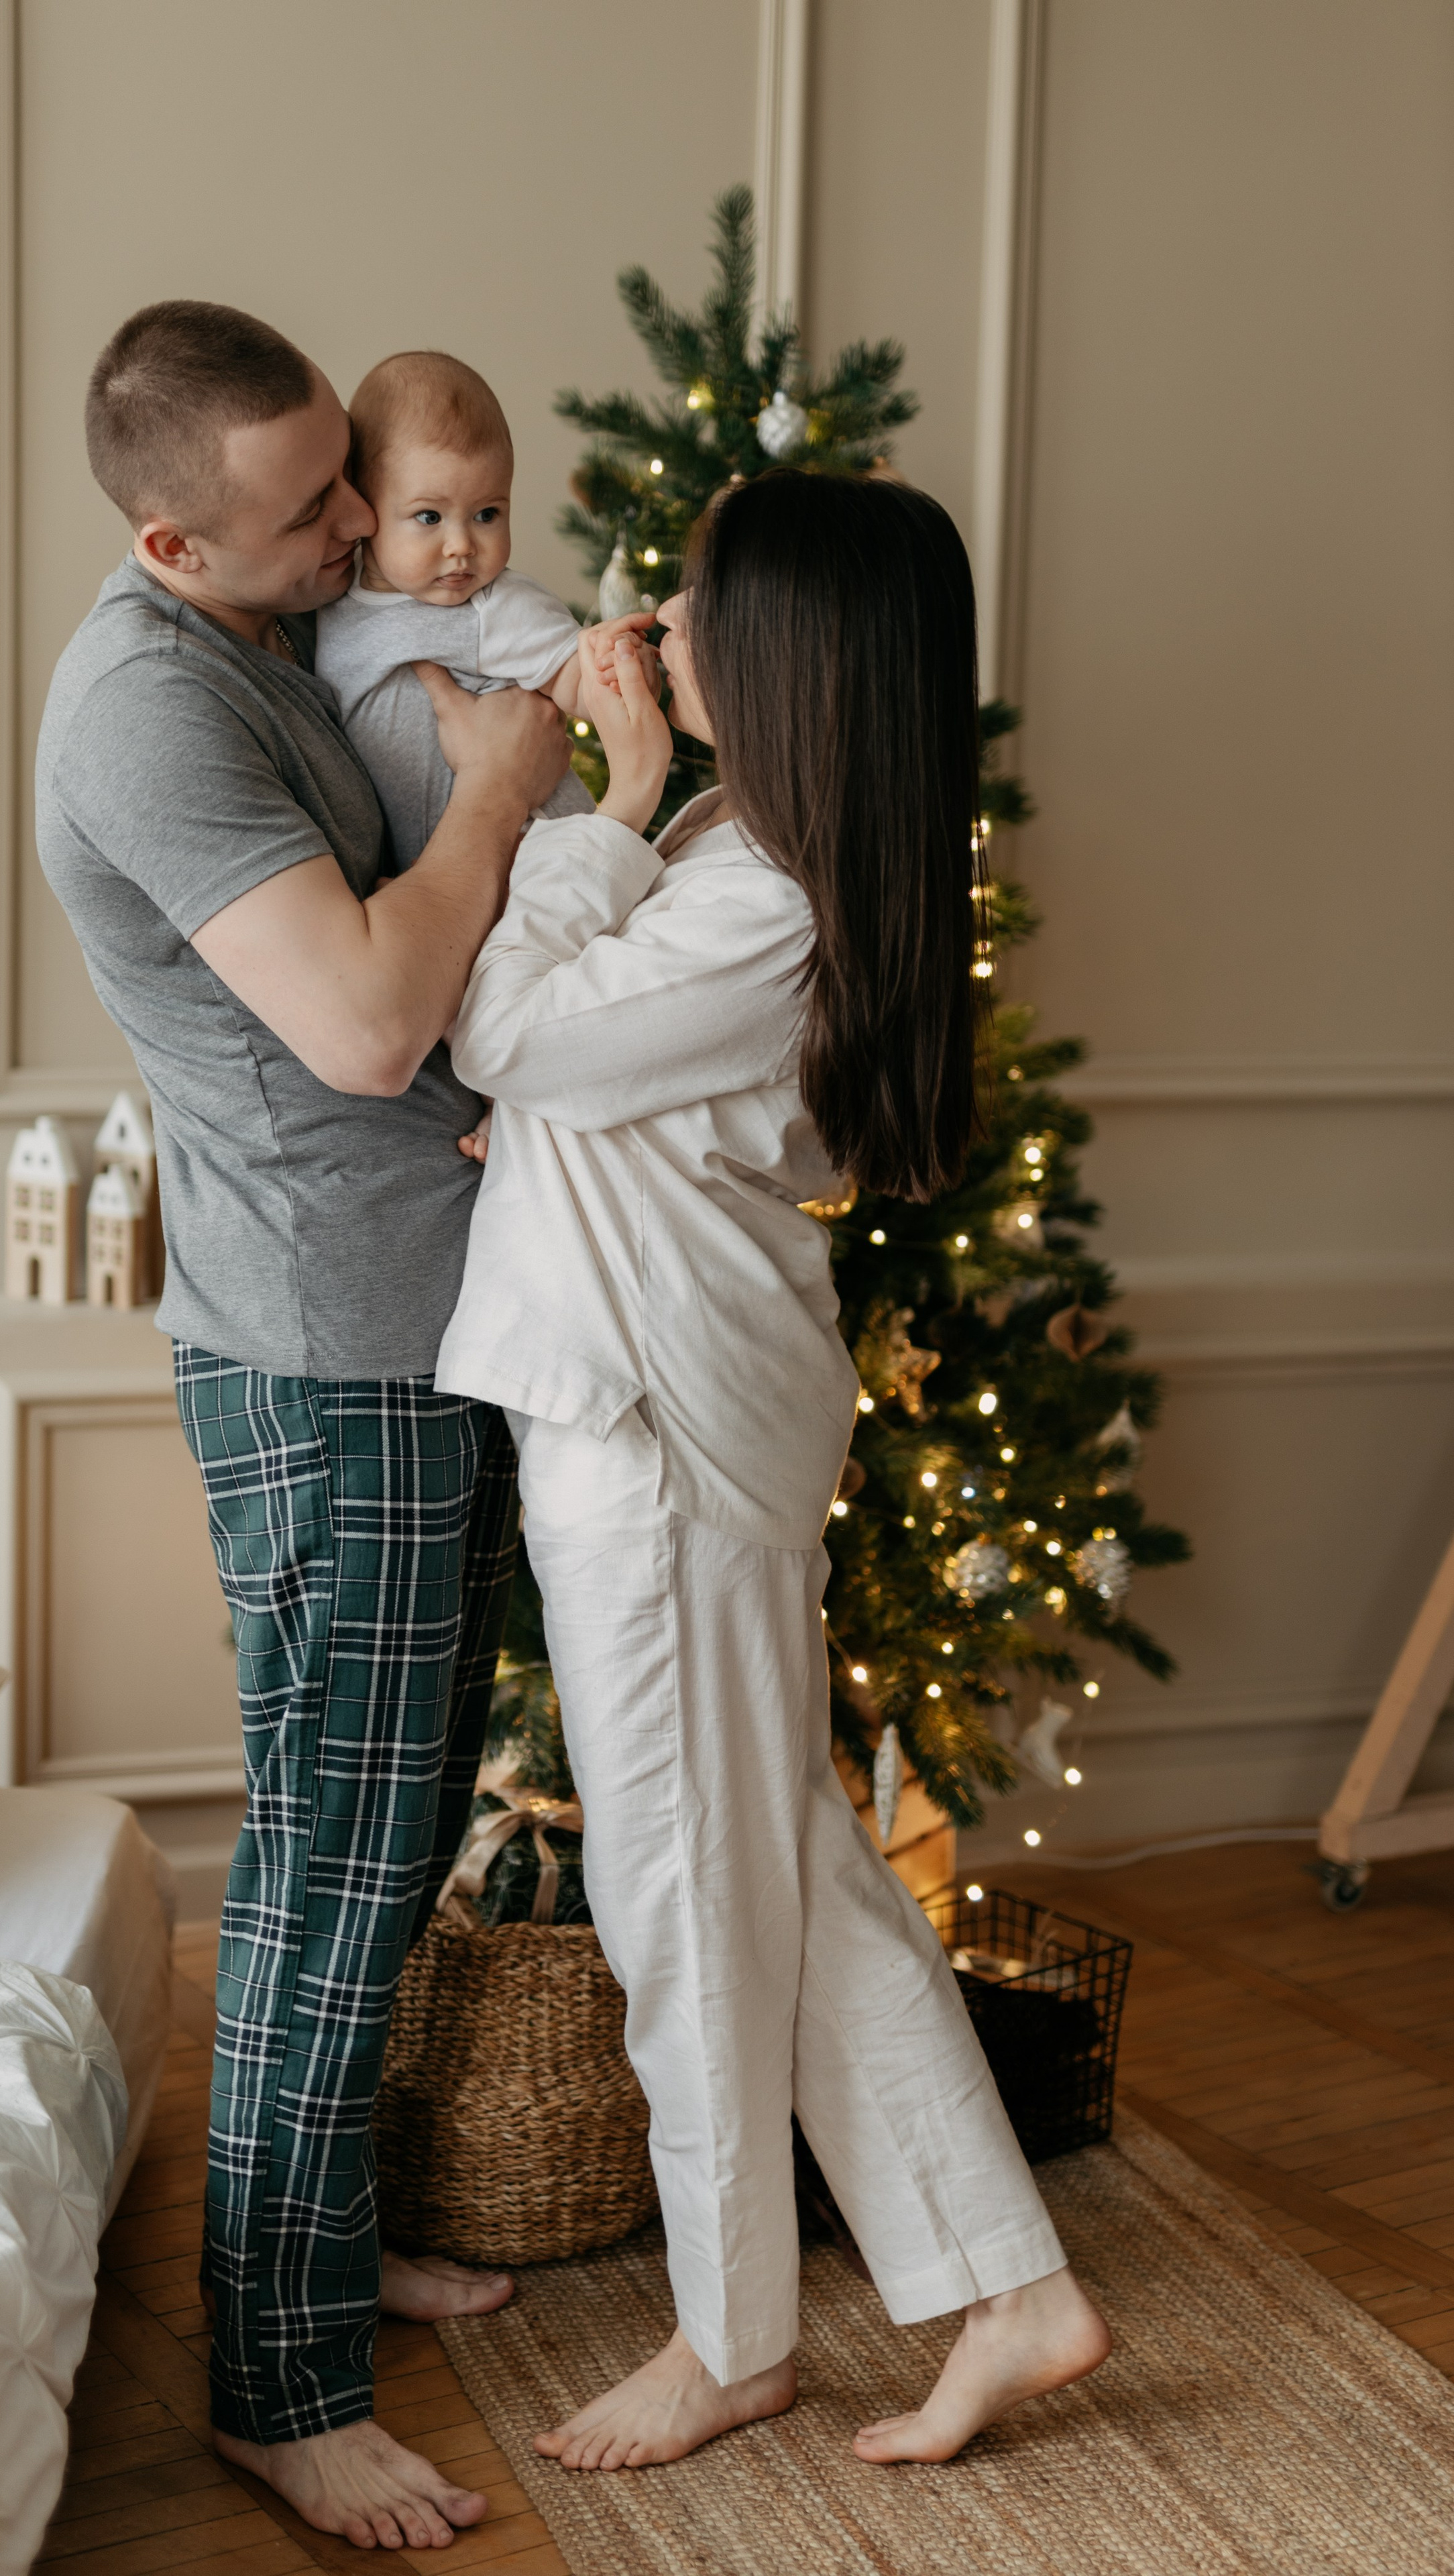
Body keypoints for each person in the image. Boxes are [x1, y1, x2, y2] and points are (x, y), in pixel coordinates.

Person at [435, 471, 1113, 2471]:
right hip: (663, 1415)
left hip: (652, 1445)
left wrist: (602, 800)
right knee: (791, 1882)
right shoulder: (758, 856)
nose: (659, 618)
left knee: (683, 1904)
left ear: (792, 657)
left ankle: (731, 2335)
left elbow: (504, 1029)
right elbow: (581, 1083)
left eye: (704, 598)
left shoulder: (750, 890)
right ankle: (1012, 2283)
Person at [35, 299, 570, 2555]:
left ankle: (324, 2256)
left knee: (402, 1813)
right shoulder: (148, 705)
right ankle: (277, 2384)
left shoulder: (278, 636)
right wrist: (518, 784)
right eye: (309, 508)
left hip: (419, 1325)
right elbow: (360, 1022)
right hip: (319, 1356)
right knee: (330, 1871)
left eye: (356, 479)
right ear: (175, 534)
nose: (362, 521)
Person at [313, 349, 600, 868]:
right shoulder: (328, 596)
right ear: (364, 503)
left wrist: (616, 669)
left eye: (487, 513)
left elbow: (582, 679)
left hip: (538, 856)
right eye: (429, 517)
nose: (462, 545)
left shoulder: (489, 605)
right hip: (439, 873)